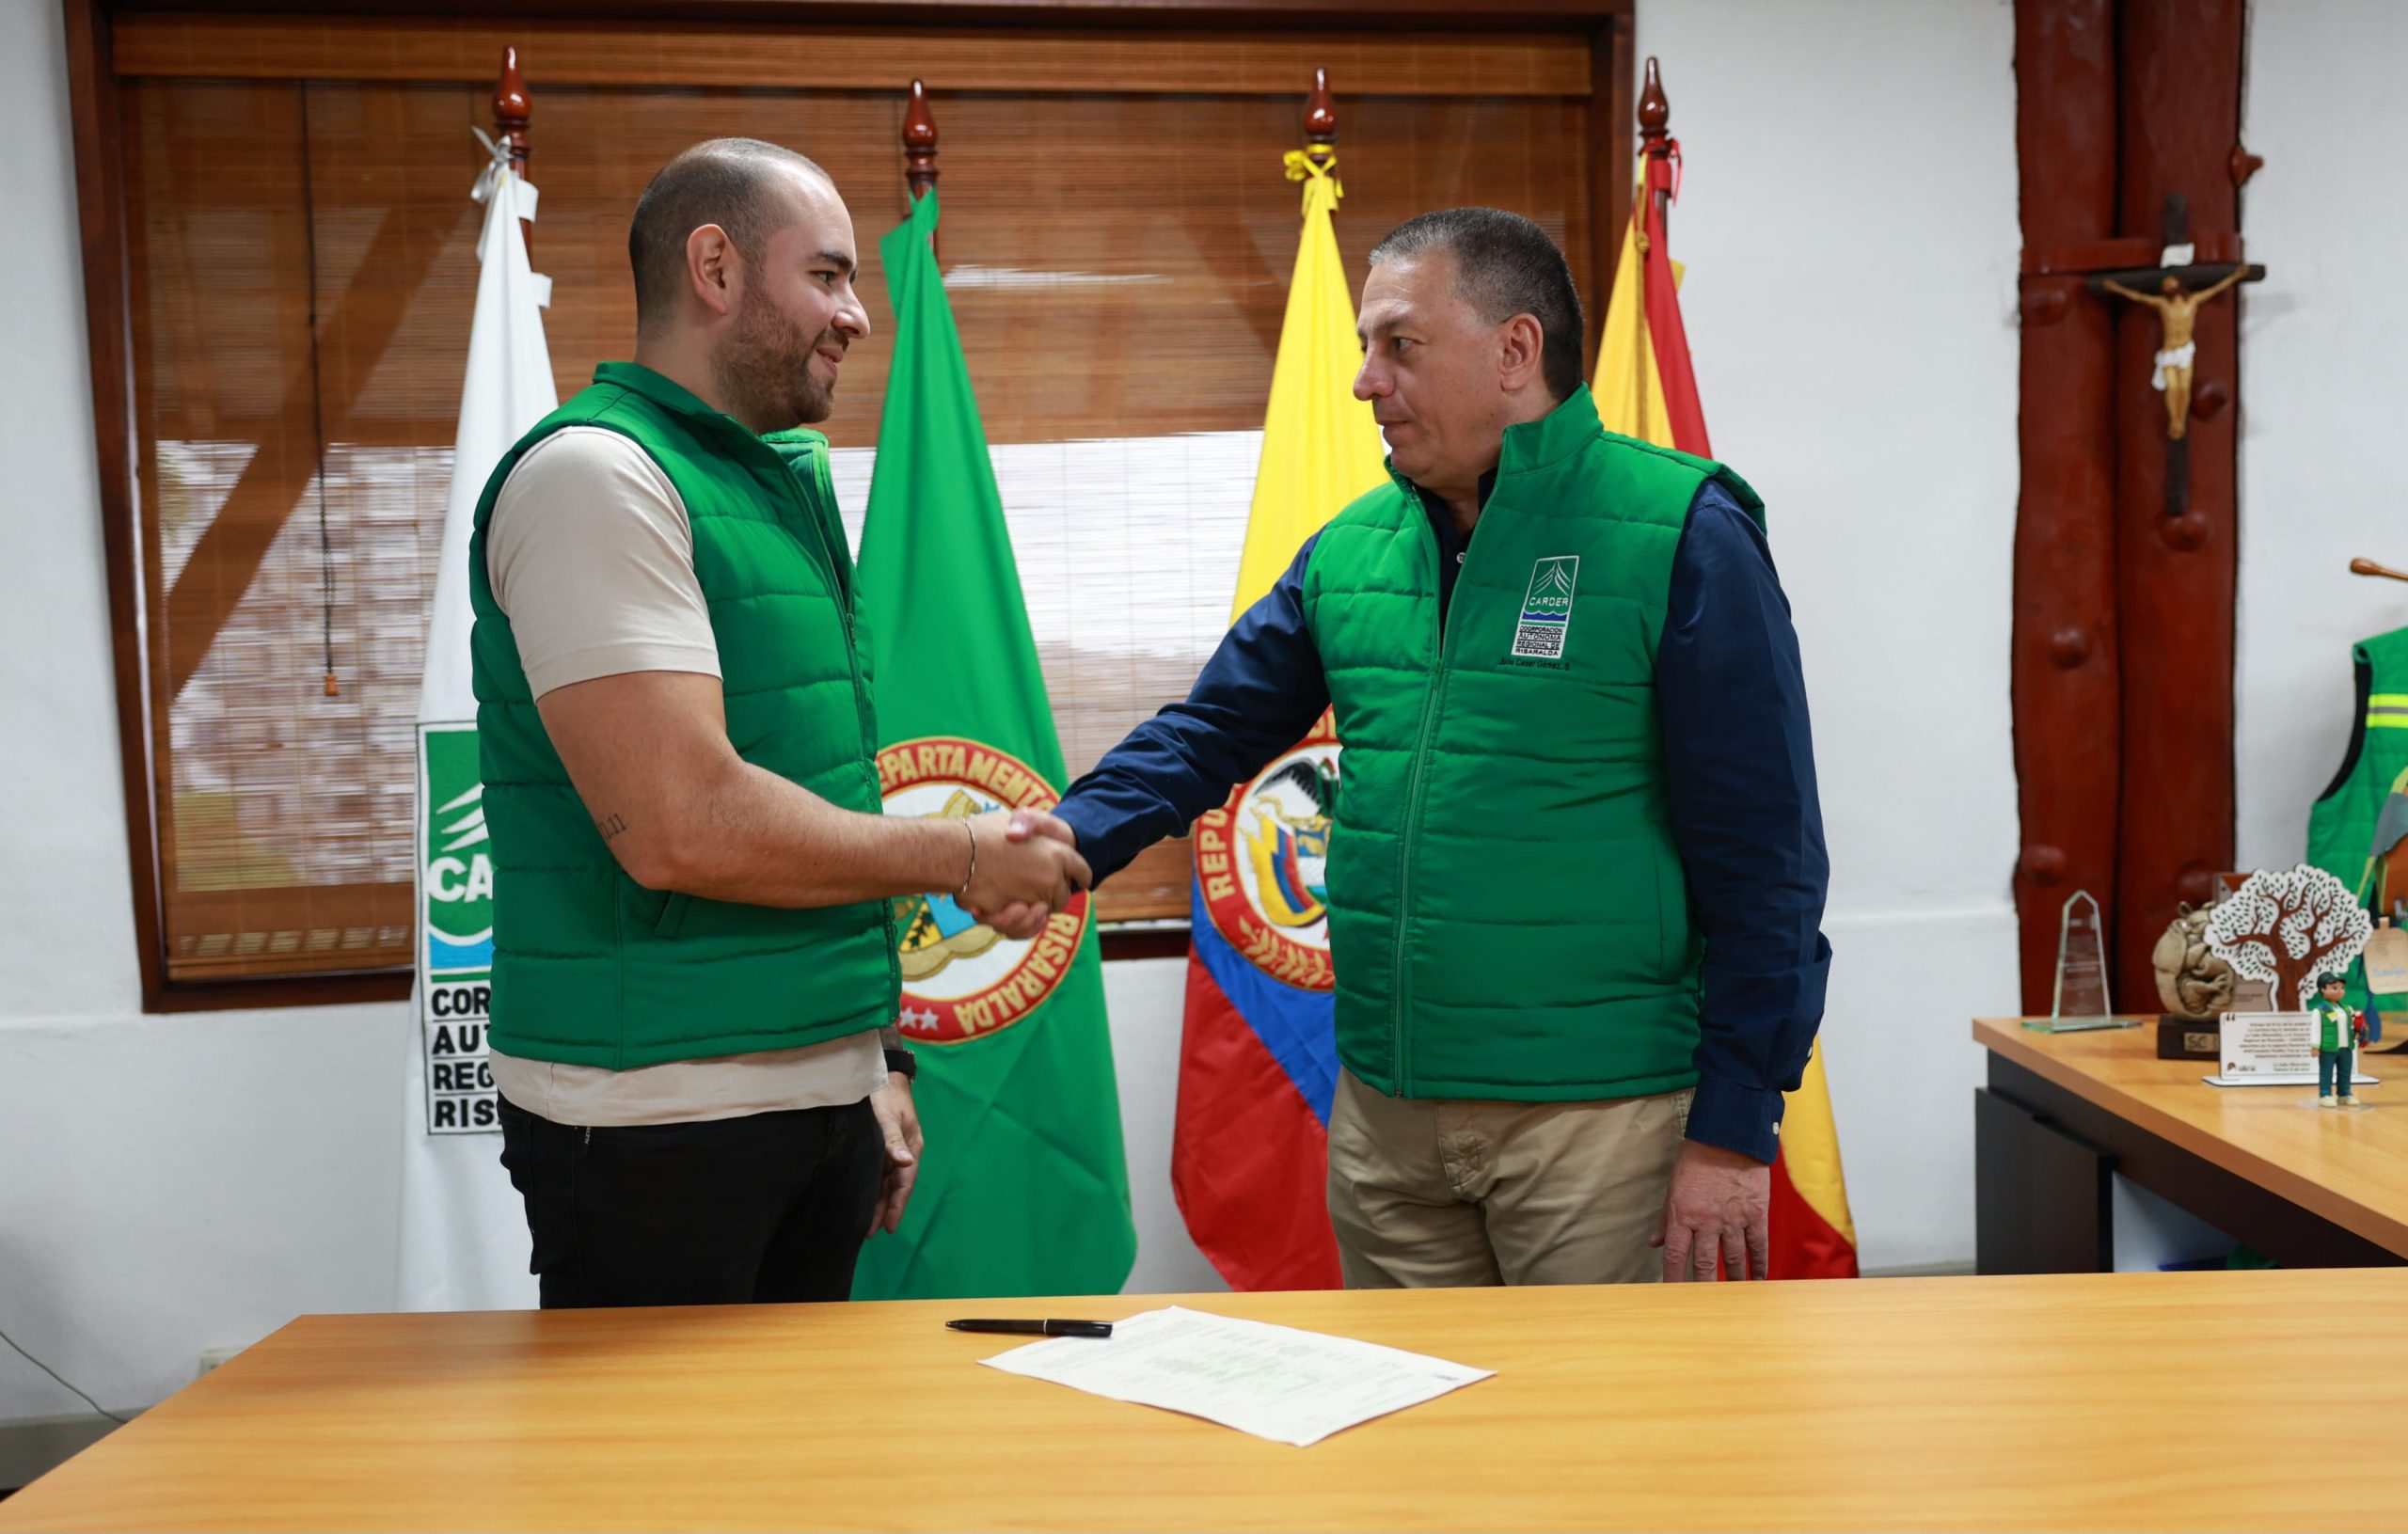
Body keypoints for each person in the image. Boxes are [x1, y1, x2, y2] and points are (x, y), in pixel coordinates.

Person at [1041, 207, 1830, 1286]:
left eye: (1398, 344)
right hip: (1385, 1124)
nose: (1365, 380)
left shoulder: (1681, 532)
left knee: (1587, 1452)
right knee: (1412, 1447)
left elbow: (1766, 859)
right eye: (1366, 346)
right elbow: (1210, 727)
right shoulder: (1349, 550)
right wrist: (1066, 838)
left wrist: (1734, 1128)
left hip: (1600, 1127)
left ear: (1515, 351)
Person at [472, 138, 1089, 1308]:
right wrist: (963, 852)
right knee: (672, 1490)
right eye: (828, 275)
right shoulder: (597, 478)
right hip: (659, 1121)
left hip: (814, 1096)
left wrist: (873, 1062)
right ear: (714, 266)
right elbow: (683, 823)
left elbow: (818, 790)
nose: (857, 313)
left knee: (804, 1483)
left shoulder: (767, 482)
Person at [2309, 973, 2364, 1108]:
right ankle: (2325, 1094)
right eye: (2334, 988)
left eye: (2342, 988)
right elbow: (2316, 1029)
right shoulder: (2320, 1011)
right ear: (2323, 989)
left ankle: (2344, 1094)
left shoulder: (2346, 1009)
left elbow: (2350, 1025)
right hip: (2328, 1048)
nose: (2339, 991)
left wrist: (2355, 1032)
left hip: (2346, 1047)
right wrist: (2315, 1046)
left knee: (2345, 1072)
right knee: (2326, 1072)